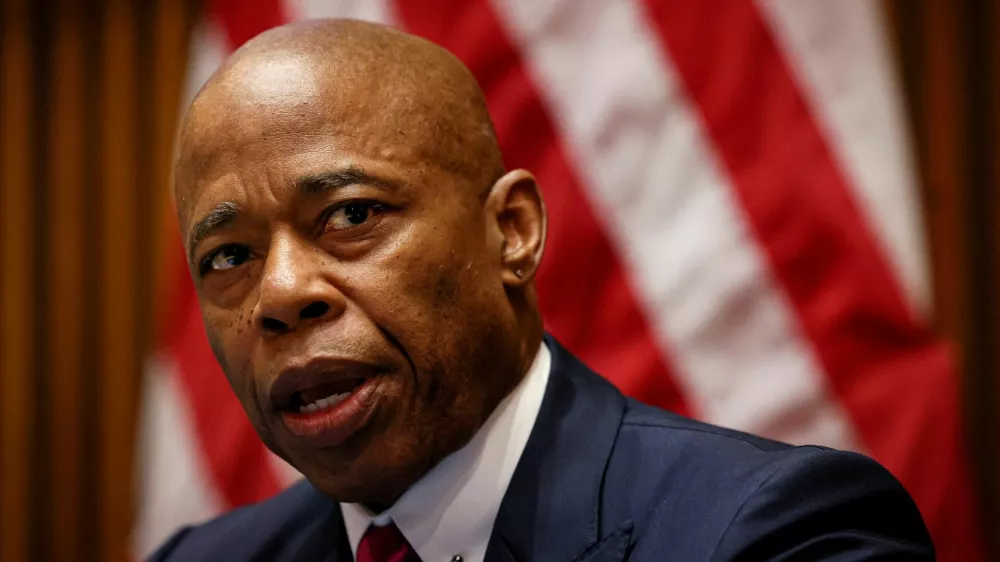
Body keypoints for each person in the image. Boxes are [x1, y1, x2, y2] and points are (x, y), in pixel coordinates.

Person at [152, 18, 933, 562]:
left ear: (513, 232)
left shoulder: (774, 534)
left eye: (352, 215)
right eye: (228, 257)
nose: (282, 294)